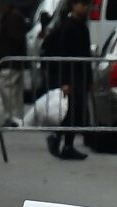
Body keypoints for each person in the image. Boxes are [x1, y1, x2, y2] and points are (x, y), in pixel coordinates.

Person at [42, 0, 92, 160]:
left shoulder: (83, 27)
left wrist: (89, 79)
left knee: (76, 112)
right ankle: (60, 139)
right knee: (72, 111)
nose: (85, 8)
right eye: (82, 4)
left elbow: (86, 55)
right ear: (74, 6)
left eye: (86, 5)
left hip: (81, 75)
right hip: (71, 76)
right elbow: (62, 54)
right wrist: (64, 81)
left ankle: (65, 143)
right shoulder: (67, 27)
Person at [0, 0, 28, 128]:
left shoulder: (12, 17)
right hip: (13, 61)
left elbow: (14, 40)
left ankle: (12, 117)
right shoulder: (14, 16)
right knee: (15, 90)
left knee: (8, 89)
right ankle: (16, 116)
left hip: (10, 62)